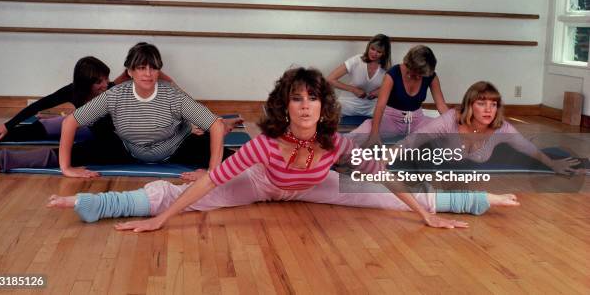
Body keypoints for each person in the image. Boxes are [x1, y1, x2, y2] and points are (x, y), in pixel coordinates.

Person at [47, 68, 519, 232]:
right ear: (286, 106)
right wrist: (160, 220)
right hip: (260, 184)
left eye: (313, 97)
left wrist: (426, 217)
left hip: (317, 184)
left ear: (322, 104)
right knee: (172, 197)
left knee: (389, 196)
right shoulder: (266, 145)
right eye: (298, 98)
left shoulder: (334, 143)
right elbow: (212, 180)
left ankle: (482, 201)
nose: (307, 105)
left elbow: (385, 179)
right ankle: (91, 204)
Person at [0, 42, 233, 177]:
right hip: (122, 147)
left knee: (233, 159)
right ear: (130, 72)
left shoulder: (171, 95)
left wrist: (211, 174)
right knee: (65, 148)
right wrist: (66, 168)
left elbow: (215, 124)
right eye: (140, 68)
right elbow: (69, 123)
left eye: (152, 68)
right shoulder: (114, 95)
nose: (147, 73)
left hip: (174, 148)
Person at [392, 81, 584, 175]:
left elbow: (528, 148)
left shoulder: (502, 128)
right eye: (482, 103)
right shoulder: (448, 121)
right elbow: (410, 141)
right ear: (469, 105)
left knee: (526, 154)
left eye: (493, 104)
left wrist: (552, 164)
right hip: (430, 151)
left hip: (484, 155)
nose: (489, 110)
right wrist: (382, 160)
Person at [0, 56, 176, 146]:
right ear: (85, 83)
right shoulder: (73, 92)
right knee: (34, 130)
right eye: (99, 82)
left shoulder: (113, 91)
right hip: (81, 124)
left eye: (106, 79)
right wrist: (7, 125)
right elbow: (40, 105)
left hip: (97, 132)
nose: (105, 84)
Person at [348, 45, 449, 143]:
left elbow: (441, 105)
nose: (419, 77)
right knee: (362, 132)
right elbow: (380, 106)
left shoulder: (430, 75)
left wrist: (454, 126)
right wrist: (374, 134)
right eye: (416, 73)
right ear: (409, 65)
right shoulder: (393, 73)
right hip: (390, 120)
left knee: (448, 131)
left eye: (422, 75)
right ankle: (335, 150)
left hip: (417, 121)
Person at [327, 34, 391, 117]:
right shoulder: (356, 60)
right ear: (368, 47)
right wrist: (353, 89)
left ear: (384, 54)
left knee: (391, 116)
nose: (374, 53)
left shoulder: (387, 69)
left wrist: (380, 91)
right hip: (348, 104)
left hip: (372, 107)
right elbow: (330, 79)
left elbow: (393, 88)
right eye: (372, 49)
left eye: (379, 52)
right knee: (329, 114)